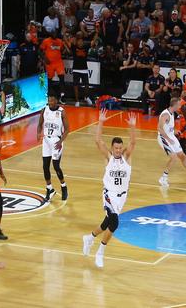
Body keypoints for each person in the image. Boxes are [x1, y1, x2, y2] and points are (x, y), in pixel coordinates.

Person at [82, 110, 136, 268]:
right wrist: (101, 121)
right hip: (109, 194)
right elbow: (98, 140)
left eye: (120, 148)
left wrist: (132, 127)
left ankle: (90, 238)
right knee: (115, 222)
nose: (118, 150)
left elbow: (133, 143)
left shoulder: (126, 157)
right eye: (116, 148)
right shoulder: (109, 157)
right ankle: (100, 252)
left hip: (122, 197)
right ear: (112, 148)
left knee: (107, 223)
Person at [36, 94, 69, 201]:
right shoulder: (44, 110)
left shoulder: (61, 112)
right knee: (45, 166)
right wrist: (38, 133)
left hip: (56, 140)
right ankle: (49, 189)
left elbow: (67, 129)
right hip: (46, 140)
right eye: (49, 100)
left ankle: (63, 186)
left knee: (55, 165)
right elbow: (40, 124)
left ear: (57, 101)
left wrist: (61, 141)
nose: (51, 102)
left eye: (53, 100)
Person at [158, 97, 186, 187]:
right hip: (163, 138)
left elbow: (168, 127)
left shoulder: (172, 114)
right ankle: (163, 177)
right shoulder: (165, 114)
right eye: (179, 104)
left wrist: (175, 131)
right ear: (175, 105)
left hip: (171, 136)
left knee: (182, 155)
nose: (180, 106)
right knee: (173, 157)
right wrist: (168, 138)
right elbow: (159, 128)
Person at [40, 31, 66, 102]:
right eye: (53, 33)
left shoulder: (60, 41)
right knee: (49, 80)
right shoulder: (46, 41)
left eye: (56, 33)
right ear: (50, 34)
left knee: (62, 78)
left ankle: (62, 96)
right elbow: (40, 51)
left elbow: (62, 50)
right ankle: (48, 96)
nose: (54, 34)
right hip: (49, 63)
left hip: (58, 62)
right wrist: (45, 59)